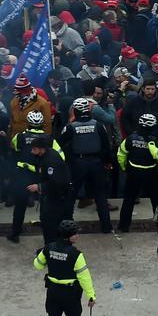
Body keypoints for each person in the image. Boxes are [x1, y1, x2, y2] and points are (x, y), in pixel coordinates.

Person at [32, 220, 96, 316]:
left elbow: (38, 265)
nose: (78, 235)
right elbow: (84, 278)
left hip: (53, 293)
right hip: (70, 296)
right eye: (76, 233)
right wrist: (91, 295)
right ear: (69, 236)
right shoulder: (76, 255)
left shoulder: (48, 248)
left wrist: (42, 255)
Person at [8, 110, 65, 243]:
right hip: (42, 175)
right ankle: (50, 235)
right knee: (46, 204)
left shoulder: (19, 137)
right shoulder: (49, 138)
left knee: (20, 205)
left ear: (28, 123)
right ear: (42, 124)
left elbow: (13, 151)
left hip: (23, 174)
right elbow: (61, 156)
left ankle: (15, 233)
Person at [59, 98, 113, 233]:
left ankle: (67, 226)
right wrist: (107, 162)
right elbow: (106, 145)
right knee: (100, 195)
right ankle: (106, 227)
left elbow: (59, 144)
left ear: (75, 111)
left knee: (71, 195)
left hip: (77, 163)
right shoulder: (98, 125)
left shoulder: (70, 127)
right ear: (88, 110)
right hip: (96, 163)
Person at [117, 113, 158, 231]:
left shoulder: (130, 139)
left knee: (129, 199)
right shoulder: (157, 142)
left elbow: (121, 154)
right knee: (157, 201)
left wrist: (124, 168)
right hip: (152, 173)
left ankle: (123, 226)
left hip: (133, 172)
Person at [26, 137, 73, 244]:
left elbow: (57, 182)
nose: (32, 152)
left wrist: (39, 187)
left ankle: (52, 247)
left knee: (50, 224)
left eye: (34, 149)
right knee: (47, 222)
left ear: (41, 149)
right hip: (49, 197)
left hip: (56, 198)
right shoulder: (44, 156)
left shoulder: (51, 160)